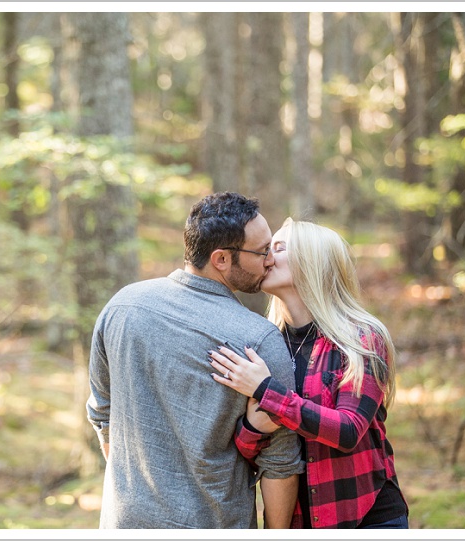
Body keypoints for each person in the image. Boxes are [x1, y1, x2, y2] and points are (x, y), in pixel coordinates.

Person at [86, 192, 303, 529]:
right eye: (261, 252)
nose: (269, 261)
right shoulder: (259, 339)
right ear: (221, 259)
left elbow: (102, 415)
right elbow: (280, 464)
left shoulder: (121, 307)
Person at [208, 217, 409, 529]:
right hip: (299, 521)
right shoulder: (267, 344)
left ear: (312, 262)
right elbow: (250, 451)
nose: (267, 257)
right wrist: (253, 427)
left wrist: (265, 391)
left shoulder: (362, 338)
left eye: (278, 248)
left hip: (368, 517)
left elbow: (347, 431)